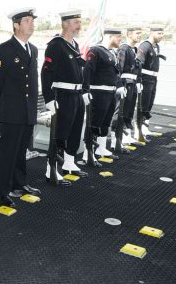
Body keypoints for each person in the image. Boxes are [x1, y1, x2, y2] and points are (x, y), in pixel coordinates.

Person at [0, 7, 41, 208]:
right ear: (16, 25)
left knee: (22, 150)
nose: (32, 24)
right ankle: (1, 190)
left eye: (32, 21)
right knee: (7, 152)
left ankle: (20, 183)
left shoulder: (33, 49)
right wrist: (5, 104)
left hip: (28, 110)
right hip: (11, 111)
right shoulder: (4, 50)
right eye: (27, 20)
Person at [41, 10, 88, 185]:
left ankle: (69, 164)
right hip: (63, 95)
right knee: (60, 134)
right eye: (76, 22)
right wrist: (49, 99)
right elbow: (46, 73)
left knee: (75, 132)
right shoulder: (56, 45)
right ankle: (51, 171)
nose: (79, 25)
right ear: (66, 24)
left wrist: (83, 92)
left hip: (76, 95)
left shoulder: (74, 44)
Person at [82, 28, 125, 161]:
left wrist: (119, 87)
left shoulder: (111, 53)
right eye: (118, 37)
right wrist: (85, 90)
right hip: (98, 93)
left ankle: (101, 148)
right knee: (94, 123)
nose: (120, 40)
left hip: (110, 93)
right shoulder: (96, 50)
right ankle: (87, 153)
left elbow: (115, 73)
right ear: (110, 36)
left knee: (105, 122)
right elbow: (87, 71)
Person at [115, 26, 143, 145]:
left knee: (129, 112)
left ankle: (127, 136)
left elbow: (136, 70)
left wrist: (138, 82)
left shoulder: (133, 50)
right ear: (129, 34)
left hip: (132, 84)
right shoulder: (124, 49)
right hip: (125, 83)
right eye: (137, 33)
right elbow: (119, 69)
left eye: (141, 33)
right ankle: (116, 139)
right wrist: (120, 85)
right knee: (120, 111)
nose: (139, 35)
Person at [137, 26, 165, 135]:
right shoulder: (145, 46)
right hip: (145, 78)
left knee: (149, 103)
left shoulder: (157, 46)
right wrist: (138, 80)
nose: (161, 36)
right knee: (143, 103)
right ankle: (138, 128)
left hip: (154, 78)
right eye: (159, 33)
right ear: (152, 33)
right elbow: (139, 63)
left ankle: (145, 127)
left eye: (162, 34)